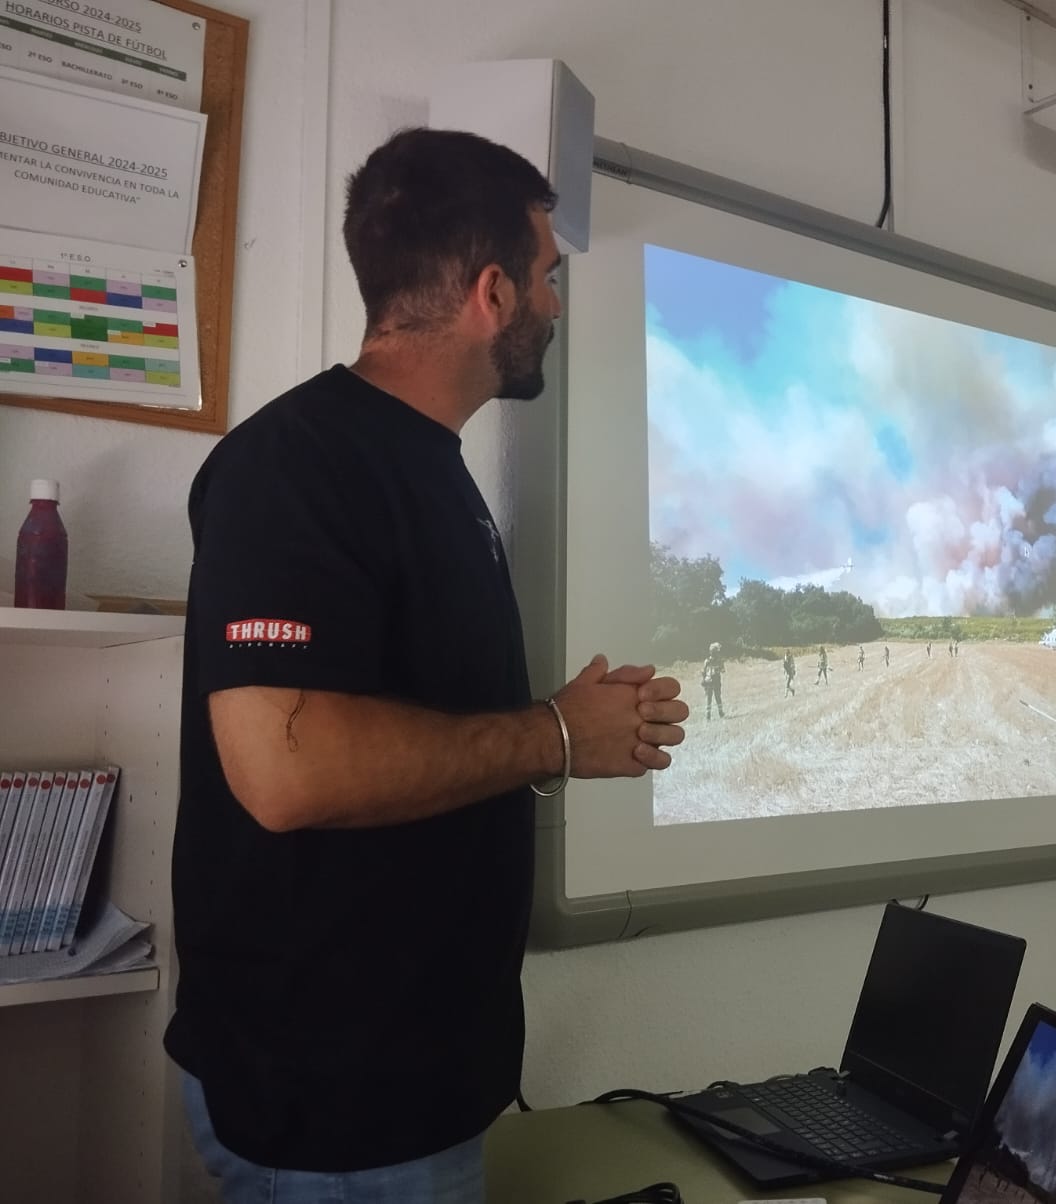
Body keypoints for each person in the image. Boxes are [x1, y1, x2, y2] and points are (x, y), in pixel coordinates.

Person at [164, 128, 689, 1203]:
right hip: (335, 1112)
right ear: (493, 293)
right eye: (548, 275)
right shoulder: (295, 464)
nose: (557, 302)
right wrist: (556, 733)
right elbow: (286, 768)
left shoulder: (431, 470)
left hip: (404, 1090)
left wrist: (565, 730)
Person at [701, 641, 725, 719]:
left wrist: (704, 679)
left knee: (711, 697)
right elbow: (723, 670)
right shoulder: (714, 660)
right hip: (713, 680)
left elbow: (703, 672)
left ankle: (712, 714)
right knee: (715, 697)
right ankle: (716, 713)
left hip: (711, 680)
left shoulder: (709, 660)